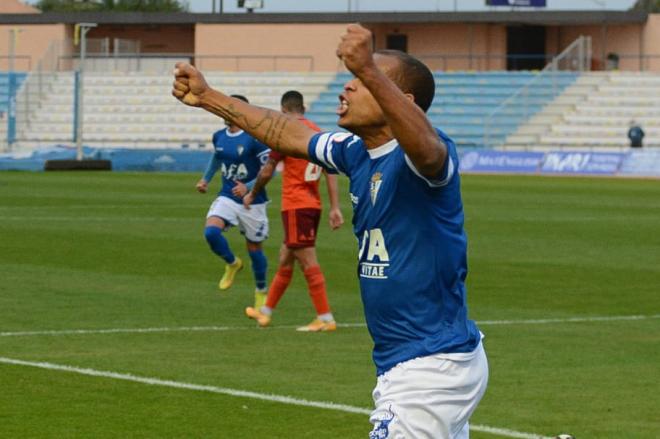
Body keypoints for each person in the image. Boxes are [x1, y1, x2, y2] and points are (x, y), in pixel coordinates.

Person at [173, 23, 488, 438]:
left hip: (429, 367)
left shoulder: (422, 156)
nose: (347, 87)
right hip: (417, 359)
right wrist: (210, 98)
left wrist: (370, 69)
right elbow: (288, 132)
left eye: (360, 80)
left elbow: (429, 151)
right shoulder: (357, 152)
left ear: (402, 101)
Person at [243, 90, 345, 332]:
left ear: (283, 111)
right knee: (285, 257)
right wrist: (335, 207)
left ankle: (325, 317)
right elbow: (331, 172)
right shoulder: (318, 133)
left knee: (307, 261)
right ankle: (265, 312)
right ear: (304, 109)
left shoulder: (285, 132)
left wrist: (252, 193)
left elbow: (268, 170)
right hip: (312, 204)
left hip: (296, 204)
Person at [196, 94, 271, 309]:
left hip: (253, 201)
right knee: (211, 232)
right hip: (227, 196)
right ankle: (232, 263)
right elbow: (217, 158)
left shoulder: (255, 138)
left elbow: (268, 170)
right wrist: (205, 180)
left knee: (255, 249)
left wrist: (248, 186)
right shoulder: (219, 136)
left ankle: (260, 292)